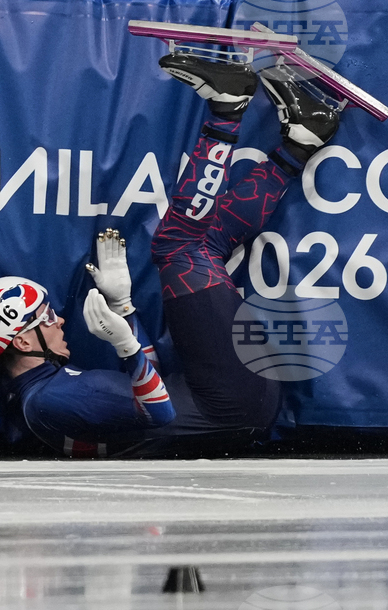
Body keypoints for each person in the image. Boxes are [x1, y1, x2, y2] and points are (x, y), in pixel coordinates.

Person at [148, 53, 340, 435]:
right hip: (234, 404)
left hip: (243, 404)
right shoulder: (49, 404)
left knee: (209, 241)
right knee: (176, 246)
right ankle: (227, 107)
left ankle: (301, 142)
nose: (59, 320)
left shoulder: (48, 405)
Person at [0, 230, 175, 457]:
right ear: (23, 343)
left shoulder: (45, 392)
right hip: (199, 412)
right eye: (48, 317)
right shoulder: (51, 396)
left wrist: (122, 306)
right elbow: (161, 413)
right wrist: (126, 345)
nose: (60, 321)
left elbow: (156, 385)